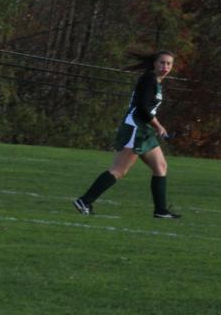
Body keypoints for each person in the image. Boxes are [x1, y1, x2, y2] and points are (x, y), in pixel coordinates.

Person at [73, 50, 181, 218]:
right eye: (162, 62)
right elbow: (143, 108)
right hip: (135, 128)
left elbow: (148, 109)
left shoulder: (156, 81)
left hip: (144, 129)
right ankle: (84, 201)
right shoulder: (149, 79)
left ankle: (160, 211)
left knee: (160, 167)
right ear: (154, 63)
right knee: (119, 170)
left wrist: (156, 126)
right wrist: (159, 126)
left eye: (169, 64)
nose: (165, 66)